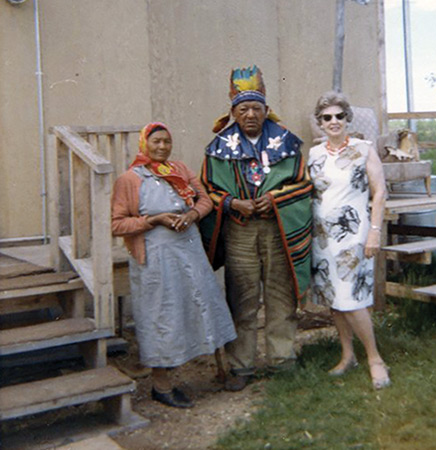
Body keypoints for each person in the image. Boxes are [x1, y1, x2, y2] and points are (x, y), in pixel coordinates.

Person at [201, 65, 312, 391]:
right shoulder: (218, 148)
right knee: (242, 298)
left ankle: (282, 360)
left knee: (281, 296)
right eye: (243, 109)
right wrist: (233, 203)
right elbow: (207, 189)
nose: (250, 114)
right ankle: (241, 366)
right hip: (240, 231)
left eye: (256, 108)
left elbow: (304, 184)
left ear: (266, 110)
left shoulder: (287, 143)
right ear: (233, 112)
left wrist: (275, 199)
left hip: (278, 230)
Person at [111, 122, 237, 407]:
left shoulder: (179, 170)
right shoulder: (130, 179)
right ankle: (162, 386)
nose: (162, 147)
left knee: (203, 304)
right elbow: (117, 224)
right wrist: (154, 220)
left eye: (166, 141)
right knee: (162, 314)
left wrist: (192, 215)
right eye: (156, 141)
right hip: (156, 257)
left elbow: (205, 200)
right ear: (144, 144)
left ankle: (221, 369)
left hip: (189, 250)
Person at [308, 91, 391, 390]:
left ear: (347, 118)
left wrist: (375, 231)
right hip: (322, 238)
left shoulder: (363, 149)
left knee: (352, 300)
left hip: (354, 236)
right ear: (320, 122)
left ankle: (375, 359)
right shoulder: (314, 154)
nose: (333, 121)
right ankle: (347, 356)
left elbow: (379, 193)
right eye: (327, 117)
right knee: (335, 299)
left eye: (339, 116)